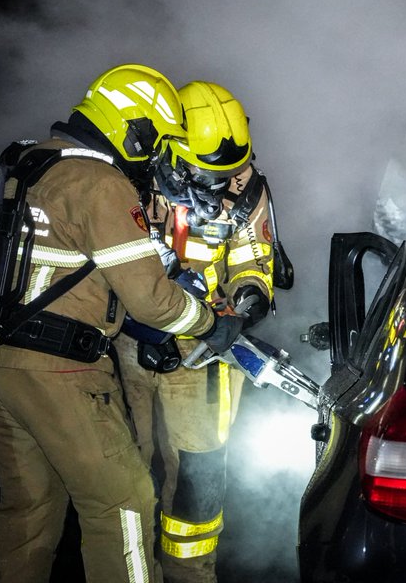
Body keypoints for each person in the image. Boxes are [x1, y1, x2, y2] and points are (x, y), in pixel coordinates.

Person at [0, 64, 245, 583]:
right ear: (135, 131)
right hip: (60, 373)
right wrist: (209, 323)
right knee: (125, 502)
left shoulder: (24, 162)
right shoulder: (100, 182)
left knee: (29, 510)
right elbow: (153, 302)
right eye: (155, 141)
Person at [113, 81, 276, 583]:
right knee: (124, 467)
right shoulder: (131, 179)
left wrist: (244, 306)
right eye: (210, 169)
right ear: (174, 145)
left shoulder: (246, 186)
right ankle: (128, 569)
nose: (222, 180)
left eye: (231, 169)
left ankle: (190, 573)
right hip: (128, 343)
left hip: (208, 348)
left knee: (199, 474)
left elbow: (255, 261)